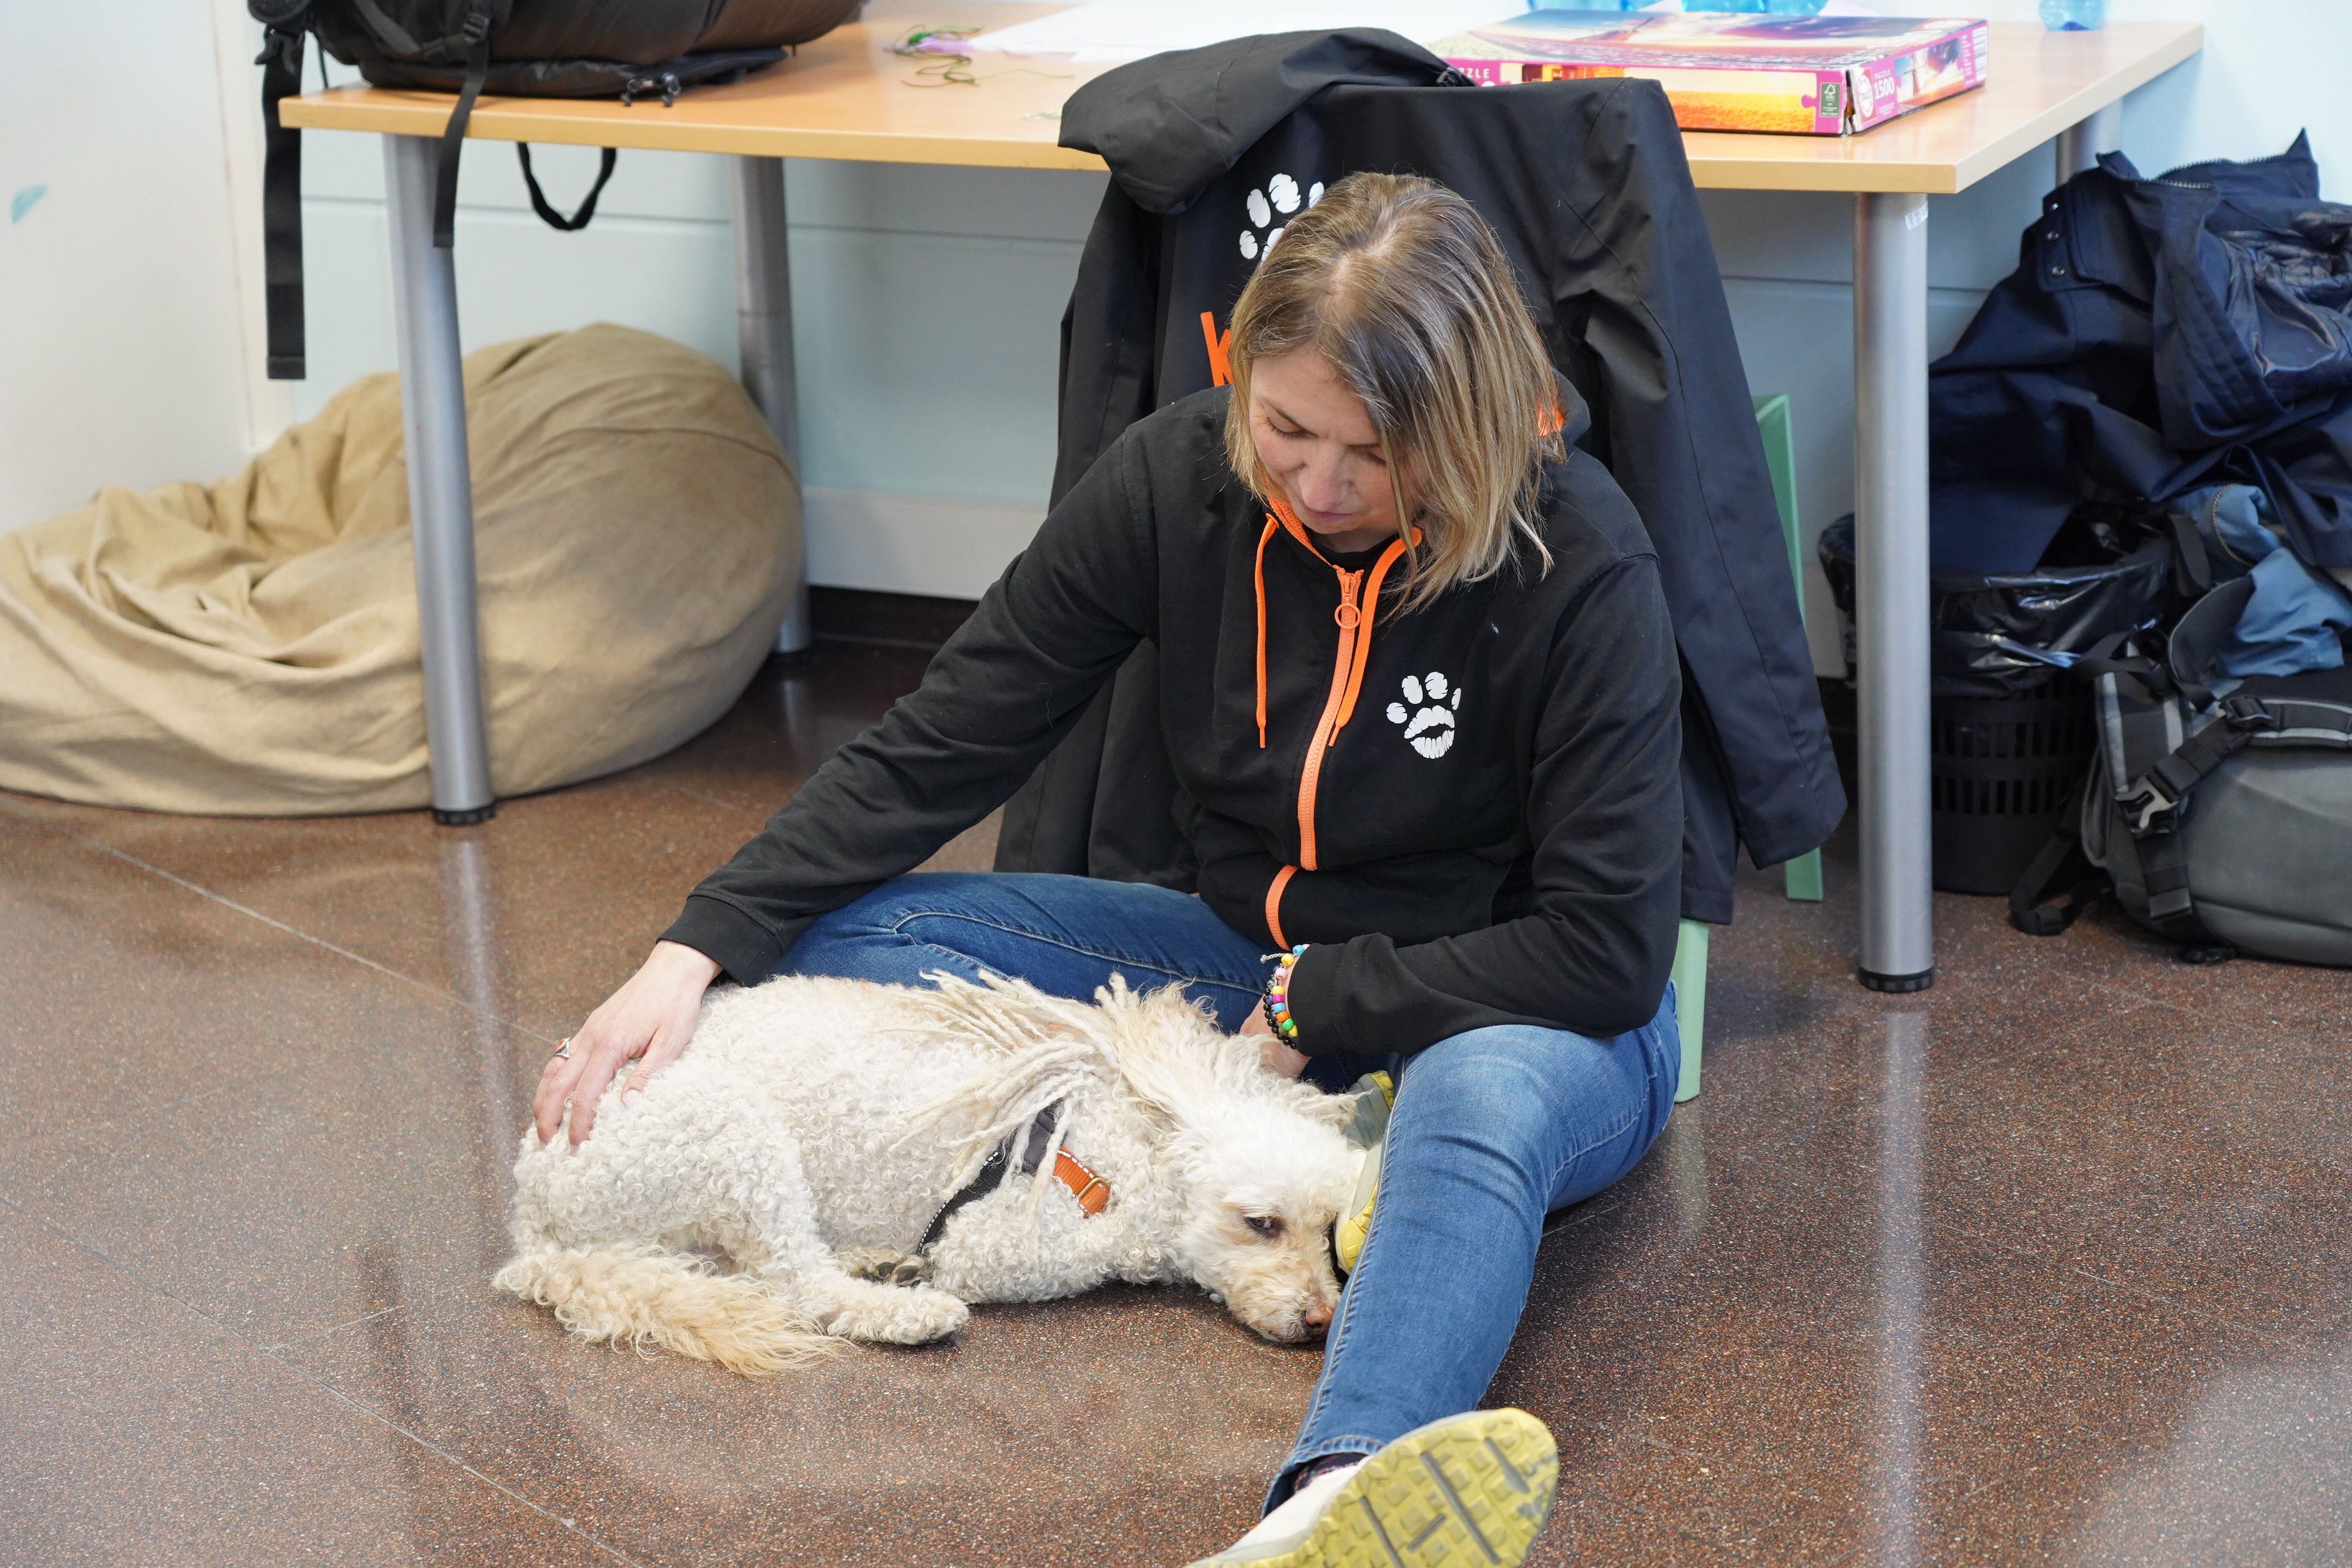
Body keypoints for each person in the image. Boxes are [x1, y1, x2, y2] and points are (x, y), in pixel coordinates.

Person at [534, 172, 1684, 1568]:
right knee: (855, 939)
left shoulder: (1580, 554)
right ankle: (1310, 1180)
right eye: (1286, 429)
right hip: (1245, 962)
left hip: (1523, 1004)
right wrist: (696, 945)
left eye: (1378, 455)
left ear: (1473, 425)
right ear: (1239, 375)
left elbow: (1608, 947)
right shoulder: (1173, 477)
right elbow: (946, 736)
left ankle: (1340, 1488)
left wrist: (1331, 1000)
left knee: (1472, 1101)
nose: (1321, 488)